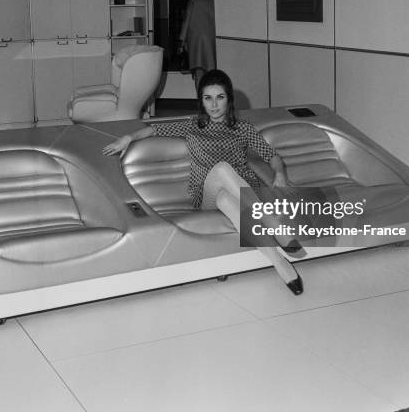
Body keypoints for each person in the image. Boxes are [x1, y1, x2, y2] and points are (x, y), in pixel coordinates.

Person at [103, 69, 303, 294]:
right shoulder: (193, 125)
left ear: (229, 99)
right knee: (222, 168)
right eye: (208, 98)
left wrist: (280, 173)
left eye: (220, 97)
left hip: (241, 192)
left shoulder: (243, 128)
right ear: (201, 101)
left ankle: (279, 263)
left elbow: (271, 155)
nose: (214, 105)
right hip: (205, 195)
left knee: (228, 201)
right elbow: (153, 129)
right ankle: (272, 222)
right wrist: (128, 138)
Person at [178, 0, 216, 88]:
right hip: (213, 39)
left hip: (196, 40)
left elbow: (187, 20)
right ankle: (210, 95)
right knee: (212, 69)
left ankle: (200, 97)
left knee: (199, 70)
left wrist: (181, 40)